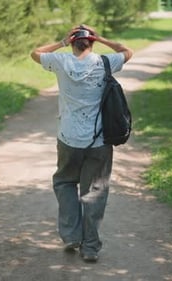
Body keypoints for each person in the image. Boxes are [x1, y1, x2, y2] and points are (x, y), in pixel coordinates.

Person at [30, 24, 133, 262]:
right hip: (99, 142)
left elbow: (35, 53)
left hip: (68, 139)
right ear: (91, 42)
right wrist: (103, 39)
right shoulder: (106, 63)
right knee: (94, 192)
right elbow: (127, 51)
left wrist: (61, 43)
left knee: (65, 182)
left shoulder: (60, 62)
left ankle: (71, 235)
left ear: (73, 42)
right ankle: (90, 248)